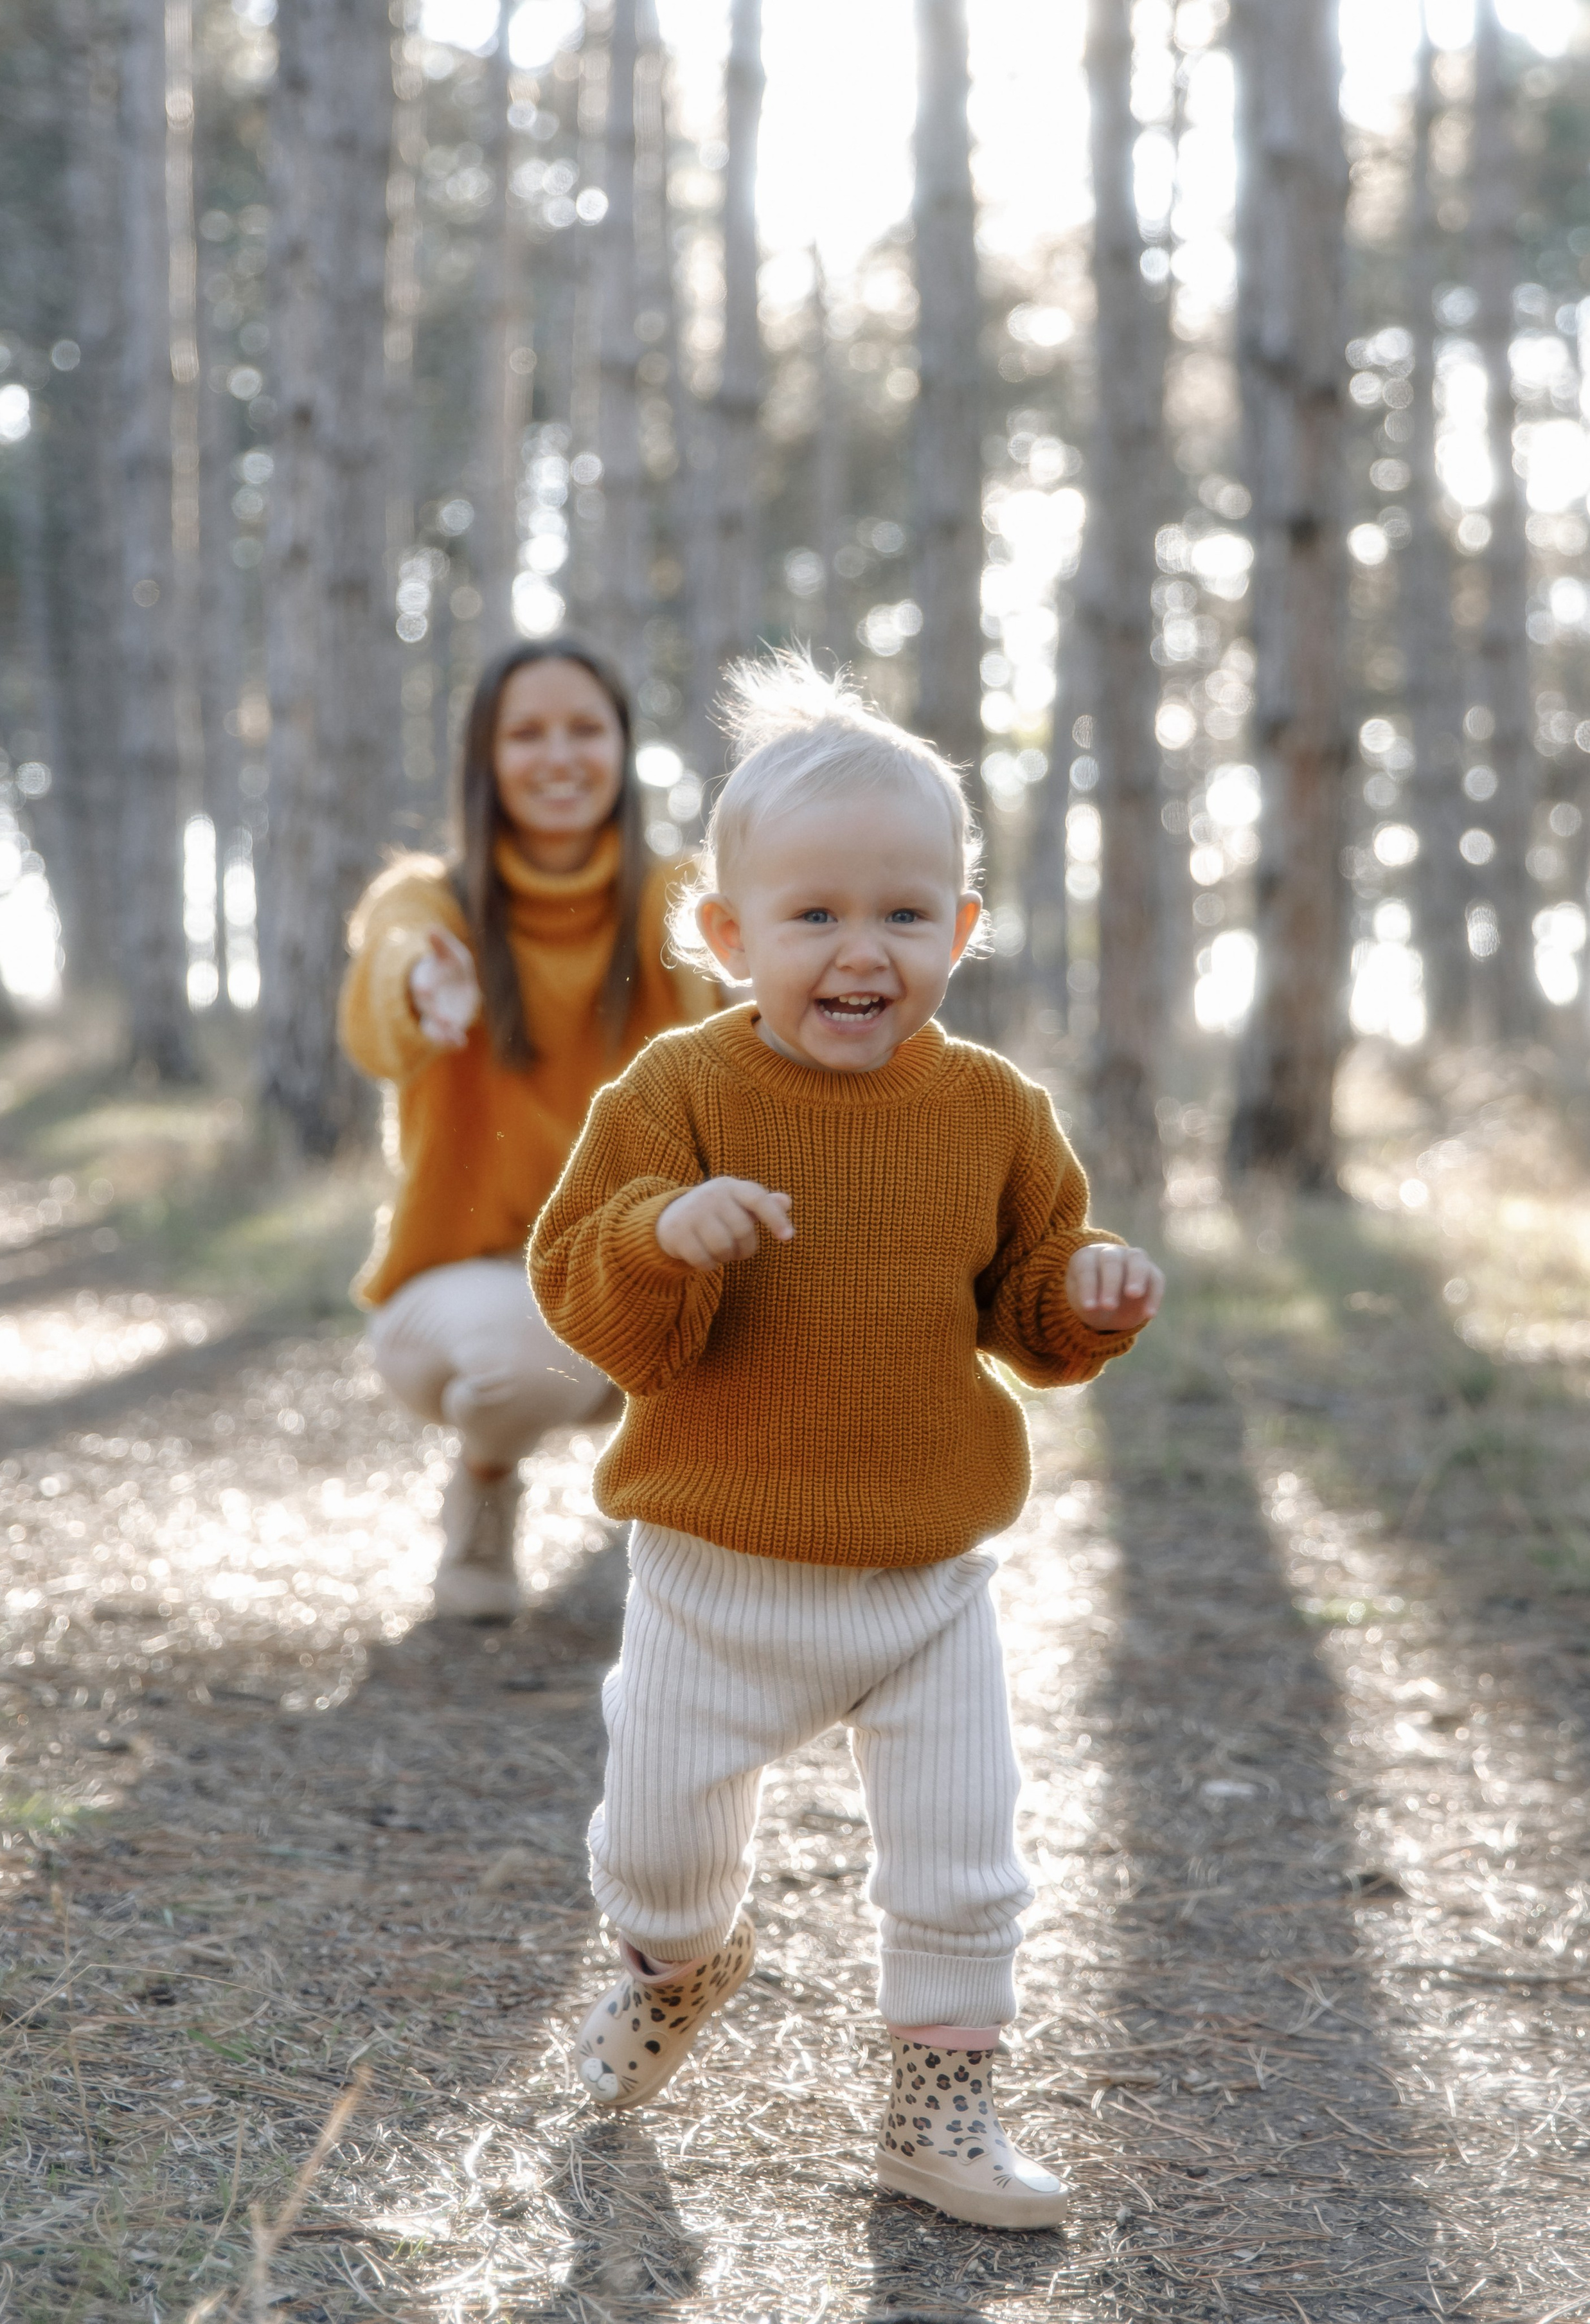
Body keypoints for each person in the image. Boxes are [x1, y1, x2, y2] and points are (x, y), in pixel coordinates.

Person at [529, 656, 1163, 2232]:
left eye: (900, 912)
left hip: (921, 1577)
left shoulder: (992, 1109)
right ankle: (680, 1961)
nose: (856, 949)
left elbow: (1024, 1299)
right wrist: (661, 1234)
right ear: (728, 935)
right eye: (811, 915)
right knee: (659, 1845)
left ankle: (940, 2100)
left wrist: (1080, 1293)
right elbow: (572, 1274)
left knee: (960, 1855)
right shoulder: (676, 1089)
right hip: (708, 1572)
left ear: (955, 929)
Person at [338, 639, 716, 1620]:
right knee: (526, 1357)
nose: (560, 756)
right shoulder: (431, 902)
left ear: (624, 750)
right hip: (462, 1287)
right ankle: (487, 1486)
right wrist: (425, 985)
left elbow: (742, 1027)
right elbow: (384, 988)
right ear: (486, 759)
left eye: (586, 729)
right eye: (528, 733)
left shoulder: (672, 903)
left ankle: (690, 1526)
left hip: (638, 1264)